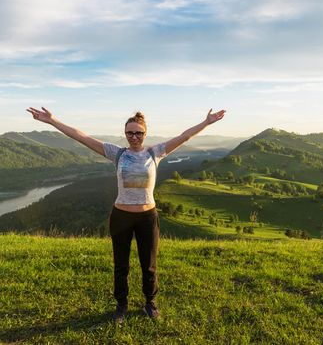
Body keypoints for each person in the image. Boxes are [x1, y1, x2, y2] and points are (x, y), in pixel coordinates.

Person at [26, 106, 225, 323]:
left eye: (138, 133)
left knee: (148, 264)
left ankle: (150, 303)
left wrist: (206, 122)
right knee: (121, 264)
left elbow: (184, 136)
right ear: (125, 134)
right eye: (130, 133)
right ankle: (121, 305)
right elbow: (81, 137)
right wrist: (53, 120)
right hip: (121, 216)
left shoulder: (155, 152)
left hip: (147, 217)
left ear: (145, 134)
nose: (134, 137)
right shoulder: (117, 153)